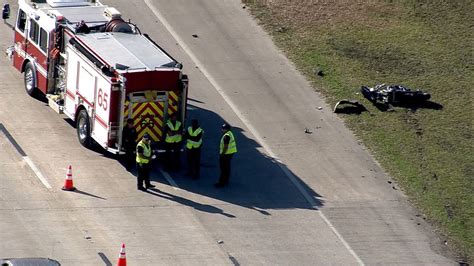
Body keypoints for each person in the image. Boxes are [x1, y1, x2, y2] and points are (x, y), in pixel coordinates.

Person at [215, 123, 237, 187]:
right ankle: (226, 180)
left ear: (226, 129)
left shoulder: (226, 136)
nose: (222, 129)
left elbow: (225, 146)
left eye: (223, 128)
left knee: (223, 168)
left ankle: (221, 183)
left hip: (226, 154)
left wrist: (222, 154)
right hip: (230, 153)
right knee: (227, 168)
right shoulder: (230, 133)